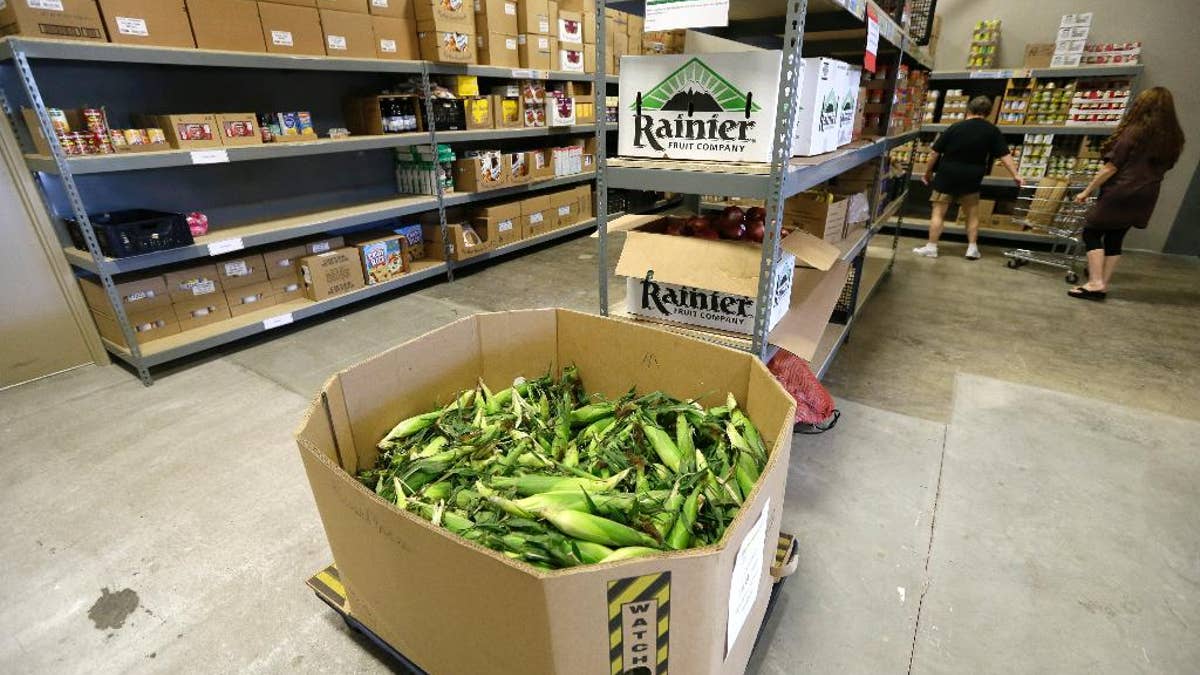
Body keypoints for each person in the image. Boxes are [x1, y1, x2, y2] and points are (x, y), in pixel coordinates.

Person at [1068, 87, 1186, 301]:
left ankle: (1095, 283)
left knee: (1091, 232)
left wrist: (1086, 191)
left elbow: (1111, 167)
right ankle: (1102, 283)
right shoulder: (1174, 138)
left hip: (1121, 190)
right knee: (1116, 236)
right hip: (1148, 193)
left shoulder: (1134, 132)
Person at [914, 95, 1023, 260]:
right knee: (972, 214)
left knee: (938, 212)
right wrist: (1015, 174)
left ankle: (931, 247)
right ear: (988, 112)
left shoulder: (955, 127)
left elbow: (935, 153)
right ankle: (972, 248)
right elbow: (1005, 155)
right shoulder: (992, 131)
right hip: (972, 176)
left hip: (947, 174)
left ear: (968, 109)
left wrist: (927, 172)